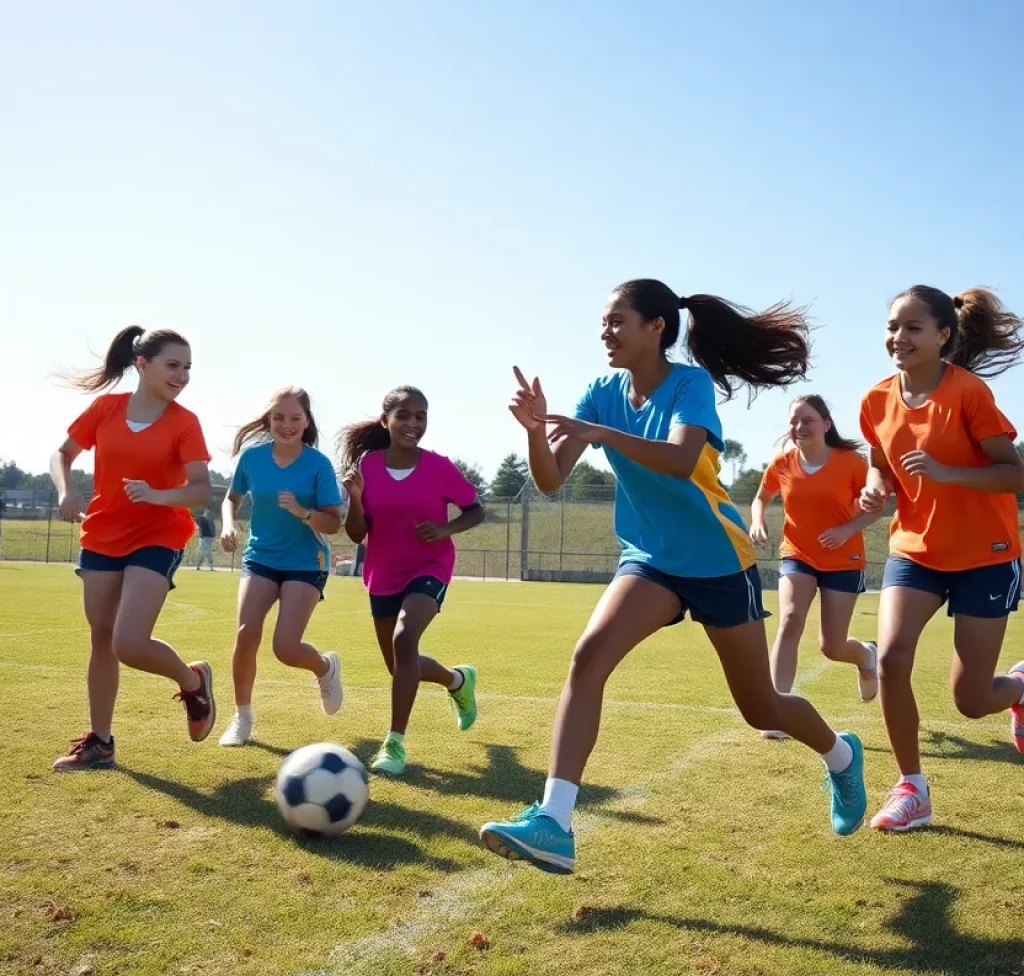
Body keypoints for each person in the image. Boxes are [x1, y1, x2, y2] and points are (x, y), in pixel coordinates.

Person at [479, 280, 867, 875]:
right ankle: (555, 821)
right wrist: (535, 431)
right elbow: (553, 478)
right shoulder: (601, 391)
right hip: (651, 560)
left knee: (761, 707)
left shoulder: (690, 384)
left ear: (656, 327)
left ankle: (841, 757)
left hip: (717, 561)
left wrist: (601, 434)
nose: (605, 332)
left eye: (616, 321)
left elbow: (683, 459)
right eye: (603, 323)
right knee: (589, 658)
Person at [858, 285, 1024, 832]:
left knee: (971, 701)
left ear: (943, 335)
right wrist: (874, 488)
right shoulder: (875, 401)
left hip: (986, 554)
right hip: (916, 550)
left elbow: (1015, 472)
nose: (898, 338)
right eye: (891, 327)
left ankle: (1019, 687)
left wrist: (949, 473)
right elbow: (882, 465)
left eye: (912, 328)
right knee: (891, 658)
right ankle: (913, 788)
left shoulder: (968, 393)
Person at [51, 326, 216, 772]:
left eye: (187, 368)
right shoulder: (105, 408)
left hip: (158, 535)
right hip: (103, 535)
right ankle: (100, 744)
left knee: (128, 641)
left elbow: (201, 490)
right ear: (142, 365)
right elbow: (62, 454)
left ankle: (192, 680)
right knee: (102, 637)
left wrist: (159, 496)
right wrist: (67, 491)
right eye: (173, 365)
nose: (182, 375)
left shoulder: (185, 422)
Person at [339, 385, 485, 776]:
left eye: (420, 416)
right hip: (383, 574)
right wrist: (354, 497)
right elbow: (356, 535)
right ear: (386, 419)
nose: (413, 423)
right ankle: (457, 680)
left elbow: (475, 511)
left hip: (430, 565)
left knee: (406, 640)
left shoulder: (439, 467)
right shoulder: (366, 468)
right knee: (401, 665)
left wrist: (445, 529)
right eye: (404, 415)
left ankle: (394, 745)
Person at [218, 388, 344, 747]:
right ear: (268, 420)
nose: (286, 425)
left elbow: (334, 524)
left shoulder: (318, 464)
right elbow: (232, 498)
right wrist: (229, 525)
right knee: (245, 633)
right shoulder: (252, 458)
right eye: (278, 418)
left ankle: (325, 667)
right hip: (261, 557)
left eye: (294, 418)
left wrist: (303, 513)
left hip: (306, 562)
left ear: (307, 422)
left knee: (286, 649)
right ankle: (242, 718)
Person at [750, 394, 880, 737]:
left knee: (832, 647)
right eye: (794, 421)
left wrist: (846, 529)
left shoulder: (852, 462)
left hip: (844, 558)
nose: (798, 427)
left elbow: (876, 506)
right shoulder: (781, 463)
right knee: (790, 620)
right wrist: (758, 521)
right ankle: (778, 711)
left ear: (826, 424)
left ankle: (866, 656)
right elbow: (761, 497)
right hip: (798, 553)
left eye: (806, 420)